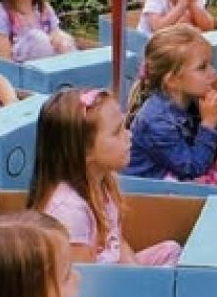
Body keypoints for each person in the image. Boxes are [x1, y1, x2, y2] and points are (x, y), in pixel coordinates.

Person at [29, 85, 181, 266]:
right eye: (117, 132)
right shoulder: (70, 209)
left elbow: (118, 244)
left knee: (171, 250)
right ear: (84, 151)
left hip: (113, 274)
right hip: (100, 286)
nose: (129, 135)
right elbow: (85, 284)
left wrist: (139, 278)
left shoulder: (102, 183)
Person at [124, 25, 217, 186]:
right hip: (152, 183)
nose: (213, 72)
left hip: (183, 164)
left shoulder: (192, 99)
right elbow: (192, 168)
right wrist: (209, 124)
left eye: (211, 64)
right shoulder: (156, 121)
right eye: (202, 67)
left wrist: (215, 120)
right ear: (172, 80)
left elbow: (214, 148)